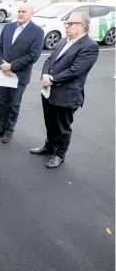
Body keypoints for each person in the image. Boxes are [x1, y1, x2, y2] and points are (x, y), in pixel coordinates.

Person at [30, 12, 99, 168]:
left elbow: (76, 70)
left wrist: (51, 79)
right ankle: (49, 146)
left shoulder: (90, 46)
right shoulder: (62, 41)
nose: (66, 26)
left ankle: (60, 154)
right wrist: (44, 74)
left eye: (70, 23)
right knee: (50, 123)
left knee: (63, 127)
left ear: (82, 26)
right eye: (66, 23)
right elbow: (49, 59)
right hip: (49, 92)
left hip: (67, 95)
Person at [0, 2, 44, 143]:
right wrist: (3, 65)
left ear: (31, 13)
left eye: (24, 11)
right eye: (19, 11)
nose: (20, 13)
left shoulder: (37, 32)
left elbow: (33, 55)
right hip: (3, 73)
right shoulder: (8, 27)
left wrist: (12, 66)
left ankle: (9, 130)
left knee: (14, 104)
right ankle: (2, 127)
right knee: (2, 102)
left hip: (18, 75)